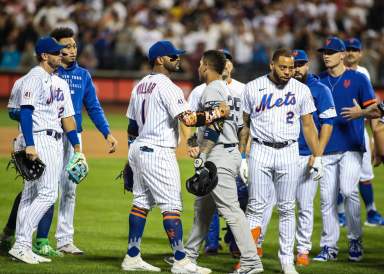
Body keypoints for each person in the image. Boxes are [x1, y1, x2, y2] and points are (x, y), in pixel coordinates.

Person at [0, 27, 118, 257]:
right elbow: (19, 111)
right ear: (49, 53)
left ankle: (56, 241)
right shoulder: (35, 78)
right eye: (63, 48)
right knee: (39, 192)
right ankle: (27, 240)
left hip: (65, 136)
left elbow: (80, 111)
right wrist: (32, 134)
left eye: (73, 46)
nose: (69, 51)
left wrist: (89, 141)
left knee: (64, 189)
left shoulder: (77, 77)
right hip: (40, 137)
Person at [122, 41, 229, 273]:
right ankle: (181, 260)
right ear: (160, 60)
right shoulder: (167, 86)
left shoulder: (140, 85)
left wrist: (130, 160)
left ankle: (132, 255)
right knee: (171, 206)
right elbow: (189, 119)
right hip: (158, 152)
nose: (177, 59)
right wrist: (216, 113)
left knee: (141, 203)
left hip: (140, 148)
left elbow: (132, 126)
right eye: (173, 56)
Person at [240, 48, 322, 274]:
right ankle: (249, 261)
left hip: (289, 151)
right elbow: (244, 125)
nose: (288, 72)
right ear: (272, 65)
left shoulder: (301, 90)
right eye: (283, 67)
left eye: (291, 67)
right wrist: (242, 156)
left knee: (287, 208)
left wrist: (317, 156)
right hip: (260, 150)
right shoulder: (252, 87)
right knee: (255, 208)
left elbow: (308, 125)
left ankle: (287, 261)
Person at [182, 49, 263, 274]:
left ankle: (251, 262)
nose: (198, 68)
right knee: (203, 210)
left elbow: (216, 123)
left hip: (220, 155)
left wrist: (204, 154)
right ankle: (188, 257)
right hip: (225, 152)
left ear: (206, 66)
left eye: (200, 64)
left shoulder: (213, 88)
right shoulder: (223, 88)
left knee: (231, 210)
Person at [7, 36, 84, 264]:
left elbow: (67, 118)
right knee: (49, 193)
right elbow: (26, 112)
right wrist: (29, 144)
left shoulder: (59, 82)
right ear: (44, 56)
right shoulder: (33, 78)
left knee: (31, 195)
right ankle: (21, 243)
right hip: (39, 139)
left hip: (56, 141)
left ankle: (22, 246)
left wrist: (77, 148)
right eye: (56, 52)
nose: (61, 54)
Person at [313, 37, 376, 262]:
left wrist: (362, 113)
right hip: (326, 149)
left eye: (331, 51)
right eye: (324, 51)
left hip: (351, 146)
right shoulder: (317, 81)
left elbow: (376, 111)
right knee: (327, 200)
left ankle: (355, 239)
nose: (326, 55)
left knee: (349, 191)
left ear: (342, 55)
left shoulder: (358, 79)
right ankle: (329, 246)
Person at [337, 38, 384, 227]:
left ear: (360, 53)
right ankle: (339, 213)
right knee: (338, 177)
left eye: (354, 50)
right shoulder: (332, 74)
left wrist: (374, 138)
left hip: (359, 130)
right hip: (339, 130)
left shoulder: (363, 73)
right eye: (347, 49)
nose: (350, 53)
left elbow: (374, 109)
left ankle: (371, 211)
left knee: (366, 174)